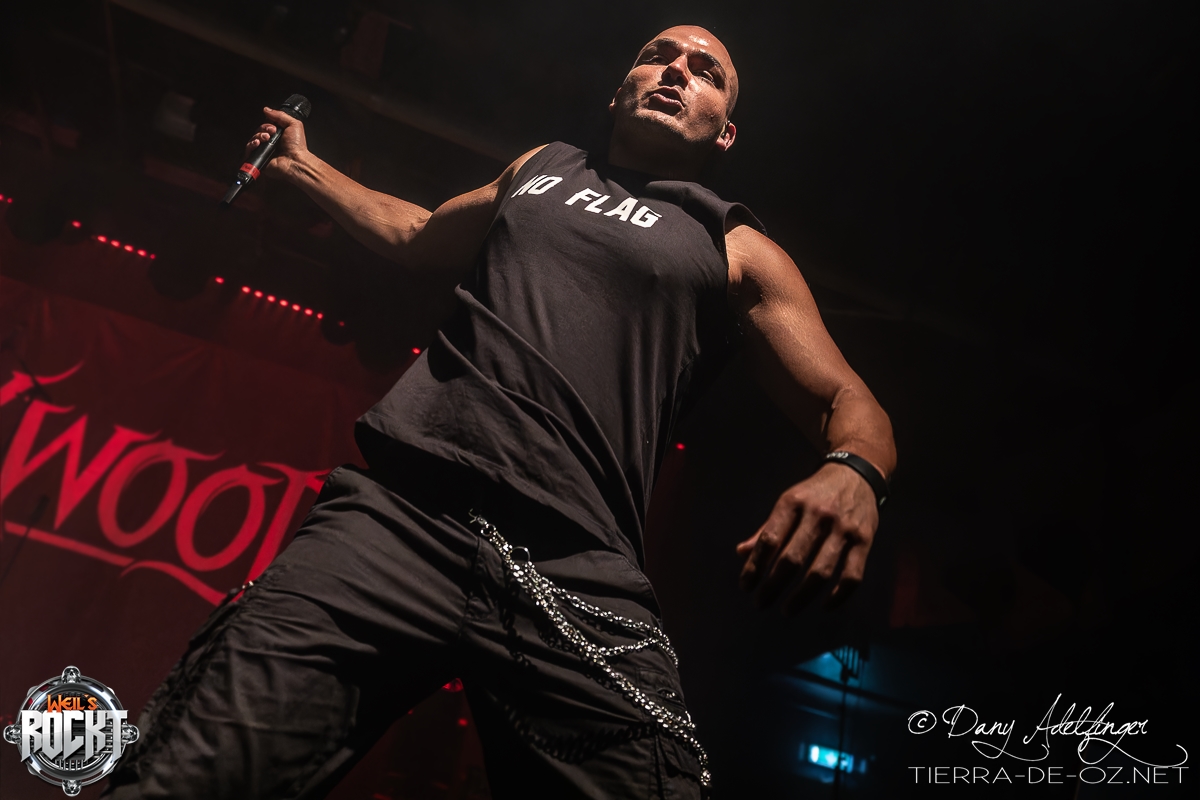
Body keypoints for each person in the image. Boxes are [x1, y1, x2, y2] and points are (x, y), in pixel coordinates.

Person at [104, 24, 895, 800]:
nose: (676, 70)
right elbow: (417, 232)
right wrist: (305, 167)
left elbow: (846, 399)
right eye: (657, 56)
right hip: (401, 518)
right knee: (187, 772)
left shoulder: (735, 245)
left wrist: (855, 470)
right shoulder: (540, 168)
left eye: (705, 70)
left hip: (578, 565)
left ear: (725, 132)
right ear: (617, 92)